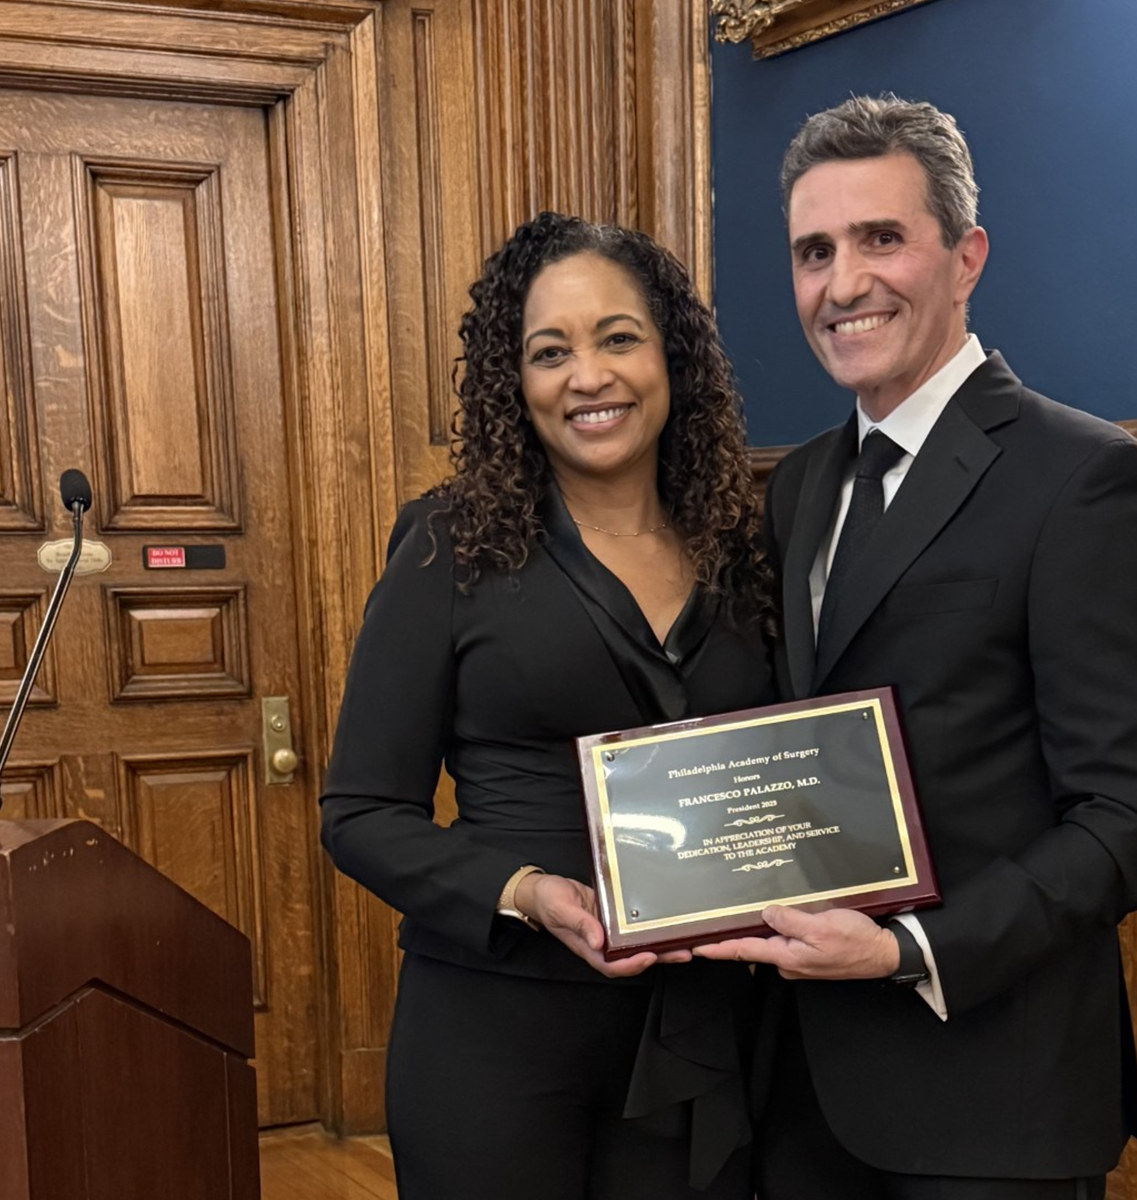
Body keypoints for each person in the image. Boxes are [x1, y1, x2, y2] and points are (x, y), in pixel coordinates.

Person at [696, 95, 1137, 1199]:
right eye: (812, 251)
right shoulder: (800, 489)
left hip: (991, 1094)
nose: (842, 284)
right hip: (805, 1081)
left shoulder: (1087, 481)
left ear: (965, 256)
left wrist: (910, 951)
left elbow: (1133, 820)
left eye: (882, 238)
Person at [319, 212, 774, 1200]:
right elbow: (359, 815)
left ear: (672, 357)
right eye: (549, 351)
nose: (589, 376)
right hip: (495, 1031)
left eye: (619, 338)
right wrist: (527, 891)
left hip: (701, 1021)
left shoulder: (747, 547)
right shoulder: (447, 545)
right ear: (512, 383)